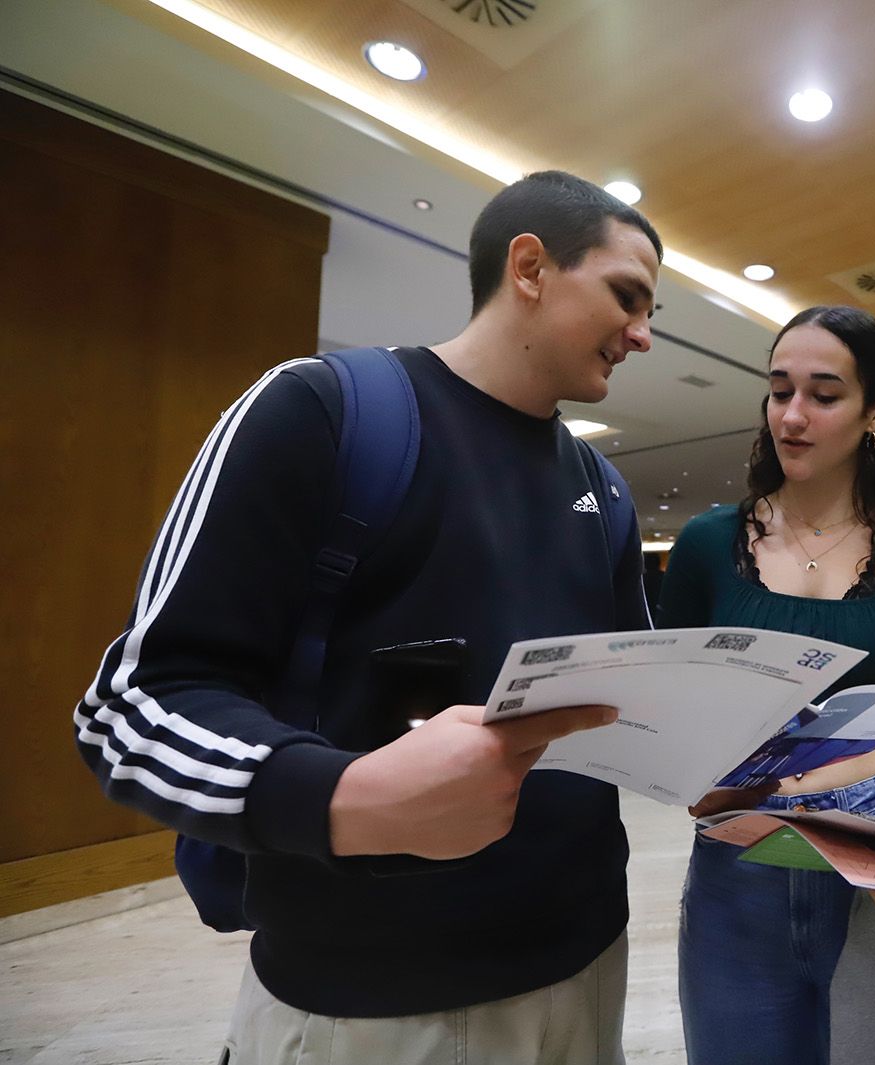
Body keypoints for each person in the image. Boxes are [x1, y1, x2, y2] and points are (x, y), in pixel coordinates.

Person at [73, 171, 662, 1063]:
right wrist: (345, 799)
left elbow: (622, 695)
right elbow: (132, 705)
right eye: (627, 296)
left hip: (588, 967)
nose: (643, 335)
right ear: (531, 266)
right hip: (372, 1002)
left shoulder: (602, 488)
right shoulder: (321, 409)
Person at [656, 305, 875, 1065]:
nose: (793, 414)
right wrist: (691, 779)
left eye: (823, 393)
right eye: (779, 390)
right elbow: (673, 715)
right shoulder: (708, 546)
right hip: (737, 861)